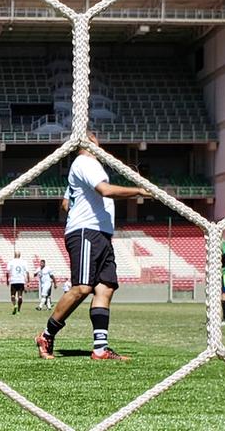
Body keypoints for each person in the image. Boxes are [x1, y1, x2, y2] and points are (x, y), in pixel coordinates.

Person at [36, 130, 152, 361]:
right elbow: (105, 190)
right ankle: (46, 335)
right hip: (87, 233)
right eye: (96, 139)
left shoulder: (83, 167)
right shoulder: (85, 162)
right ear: (89, 142)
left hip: (99, 233)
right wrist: (139, 190)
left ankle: (100, 349)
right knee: (82, 288)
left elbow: (65, 204)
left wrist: (81, 209)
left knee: (105, 288)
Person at [7, 251, 29, 315]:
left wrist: (7, 280)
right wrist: (28, 281)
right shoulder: (24, 262)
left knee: (12, 295)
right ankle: (19, 310)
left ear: (14, 255)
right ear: (20, 255)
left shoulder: (11, 262)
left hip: (13, 280)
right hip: (21, 280)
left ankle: (15, 305)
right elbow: (27, 272)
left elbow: (7, 272)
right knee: (20, 296)